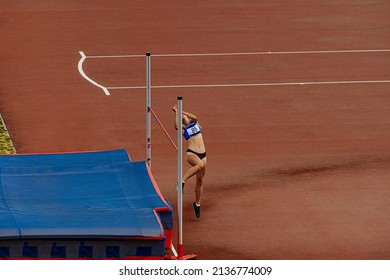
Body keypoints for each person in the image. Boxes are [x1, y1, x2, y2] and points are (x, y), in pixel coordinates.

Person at [172, 105, 206, 219]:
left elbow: (195, 116)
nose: (186, 117)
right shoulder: (184, 129)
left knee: (200, 181)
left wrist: (182, 111)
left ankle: (197, 204)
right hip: (192, 153)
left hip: (203, 154)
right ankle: (181, 181)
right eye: (184, 118)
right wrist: (177, 113)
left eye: (186, 117)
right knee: (200, 165)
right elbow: (176, 126)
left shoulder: (196, 124)